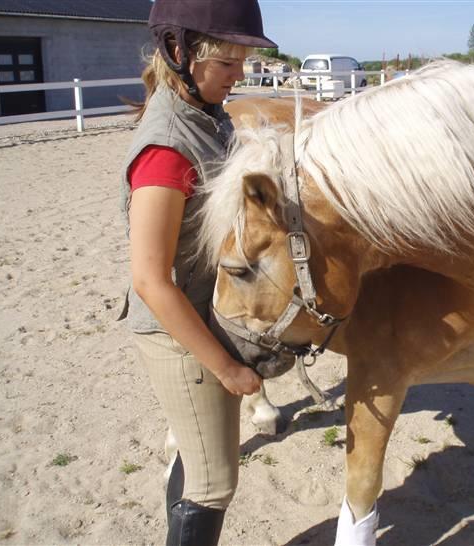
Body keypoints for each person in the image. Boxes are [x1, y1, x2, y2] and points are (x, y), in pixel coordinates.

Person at [117, 1, 277, 544]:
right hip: (177, 329)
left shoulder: (209, 116)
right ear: (181, 53)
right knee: (214, 482)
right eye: (228, 64)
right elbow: (150, 279)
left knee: (197, 452)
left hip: (203, 312)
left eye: (243, 63)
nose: (239, 77)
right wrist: (228, 371)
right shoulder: (166, 150)